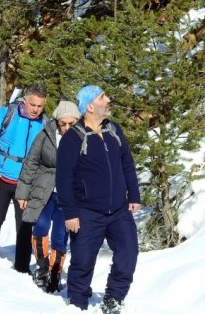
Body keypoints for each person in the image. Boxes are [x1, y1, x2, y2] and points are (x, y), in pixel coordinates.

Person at [57, 85, 141, 314]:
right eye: (103, 96)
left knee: (128, 253)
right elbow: (63, 179)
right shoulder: (72, 138)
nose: (108, 99)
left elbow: (127, 164)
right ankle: (77, 304)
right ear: (90, 106)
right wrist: (70, 213)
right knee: (83, 262)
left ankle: (114, 299)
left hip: (118, 211)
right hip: (86, 212)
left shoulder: (114, 129)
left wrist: (133, 194)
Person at [0, 84, 47, 273]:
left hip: (26, 183)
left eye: (40, 106)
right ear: (25, 100)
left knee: (24, 228)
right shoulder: (6, 114)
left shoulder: (44, 123)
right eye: (33, 104)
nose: (36, 110)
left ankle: (22, 269)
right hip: (0, 177)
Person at [16, 100, 81, 293]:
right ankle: (42, 268)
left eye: (71, 123)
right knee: (40, 226)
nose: (67, 127)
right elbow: (30, 164)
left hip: (68, 196)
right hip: (43, 192)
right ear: (57, 121)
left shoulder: (83, 139)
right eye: (63, 123)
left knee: (60, 236)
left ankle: (55, 272)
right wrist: (22, 193)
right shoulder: (45, 135)